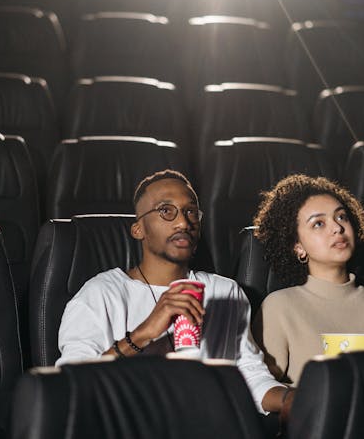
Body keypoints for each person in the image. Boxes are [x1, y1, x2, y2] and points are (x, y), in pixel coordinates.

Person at [56, 169, 293, 416]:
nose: (183, 222)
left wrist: (294, 400)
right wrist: (141, 335)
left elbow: (250, 375)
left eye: (191, 212)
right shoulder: (100, 294)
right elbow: (71, 388)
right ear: (138, 229)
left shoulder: (224, 291)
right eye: (166, 211)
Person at [252, 174, 364, 385]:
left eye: (341, 217)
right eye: (318, 224)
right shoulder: (279, 307)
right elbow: (262, 388)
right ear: (298, 246)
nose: (337, 228)